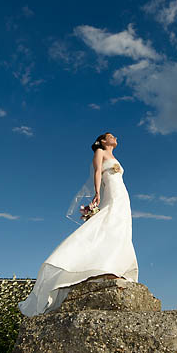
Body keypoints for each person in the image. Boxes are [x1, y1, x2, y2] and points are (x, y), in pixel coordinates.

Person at [18, 132, 139, 316]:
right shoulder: (100, 152)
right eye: (110, 136)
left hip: (123, 193)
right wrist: (97, 193)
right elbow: (98, 172)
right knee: (109, 221)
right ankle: (98, 265)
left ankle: (115, 265)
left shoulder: (114, 156)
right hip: (111, 191)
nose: (115, 138)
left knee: (120, 226)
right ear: (102, 141)